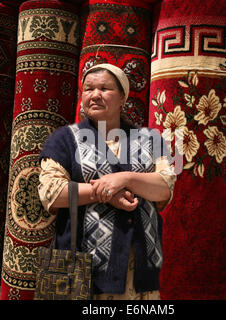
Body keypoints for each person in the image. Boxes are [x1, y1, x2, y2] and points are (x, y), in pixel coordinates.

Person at [38, 63, 176, 300]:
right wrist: (105, 193)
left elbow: (164, 188)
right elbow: (52, 192)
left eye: (104, 88)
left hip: (138, 270)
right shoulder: (64, 140)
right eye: (89, 89)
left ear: (123, 97)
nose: (95, 95)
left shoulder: (150, 140)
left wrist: (126, 178)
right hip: (81, 268)